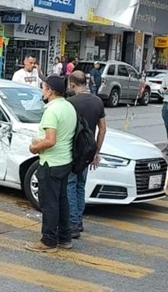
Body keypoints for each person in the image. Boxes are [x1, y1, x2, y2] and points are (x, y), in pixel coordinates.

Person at [26, 75, 77, 252]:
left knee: (49, 204)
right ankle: (64, 238)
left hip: (51, 162)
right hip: (65, 162)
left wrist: (34, 148)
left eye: (43, 87)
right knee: (62, 201)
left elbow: (50, 140)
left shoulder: (52, 110)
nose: (42, 90)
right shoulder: (69, 107)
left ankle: (48, 241)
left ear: (50, 91)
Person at [66, 71, 107, 238]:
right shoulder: (97, 102)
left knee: (70, 185)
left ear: (72, 84)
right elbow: (103, 129)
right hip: (88, 151)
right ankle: (79, 221)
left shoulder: (70, 103)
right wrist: (97, 151)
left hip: (73, 150)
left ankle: (73, 223)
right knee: (81, 185)